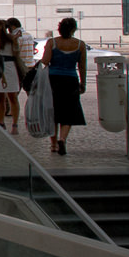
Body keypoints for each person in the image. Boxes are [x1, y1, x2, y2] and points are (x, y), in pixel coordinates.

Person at [41, 17, 89, 156]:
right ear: (74, 29)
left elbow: (45, 61)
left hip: (54, 80)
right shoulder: (80, 44)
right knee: (68, 112)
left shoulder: (52, 42)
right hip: (71, 80)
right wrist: (83, 83)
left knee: (53, 111)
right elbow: (82, 66)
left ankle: (54, 144)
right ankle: (63, 139)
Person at [0, 20, 20, 133]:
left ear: (0, 27)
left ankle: (15, 124)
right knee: (0, 97)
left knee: (12, 96)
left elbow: (16, 53)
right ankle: (0, 123)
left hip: (9, 66)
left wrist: (15, 42)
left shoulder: (10, 38)